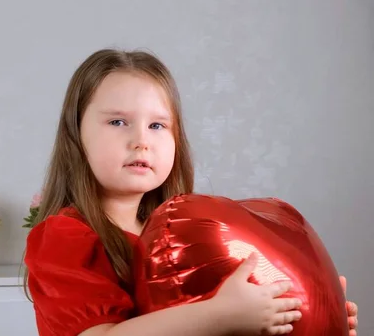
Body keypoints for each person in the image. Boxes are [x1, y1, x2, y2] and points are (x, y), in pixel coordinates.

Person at [23, 48, 359, 336]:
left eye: (157, 125)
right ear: (75, 135)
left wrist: (304, 313)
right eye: (117, 122)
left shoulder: (178, 236)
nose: (141, 140)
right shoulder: (64, 237)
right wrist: (220, 314)